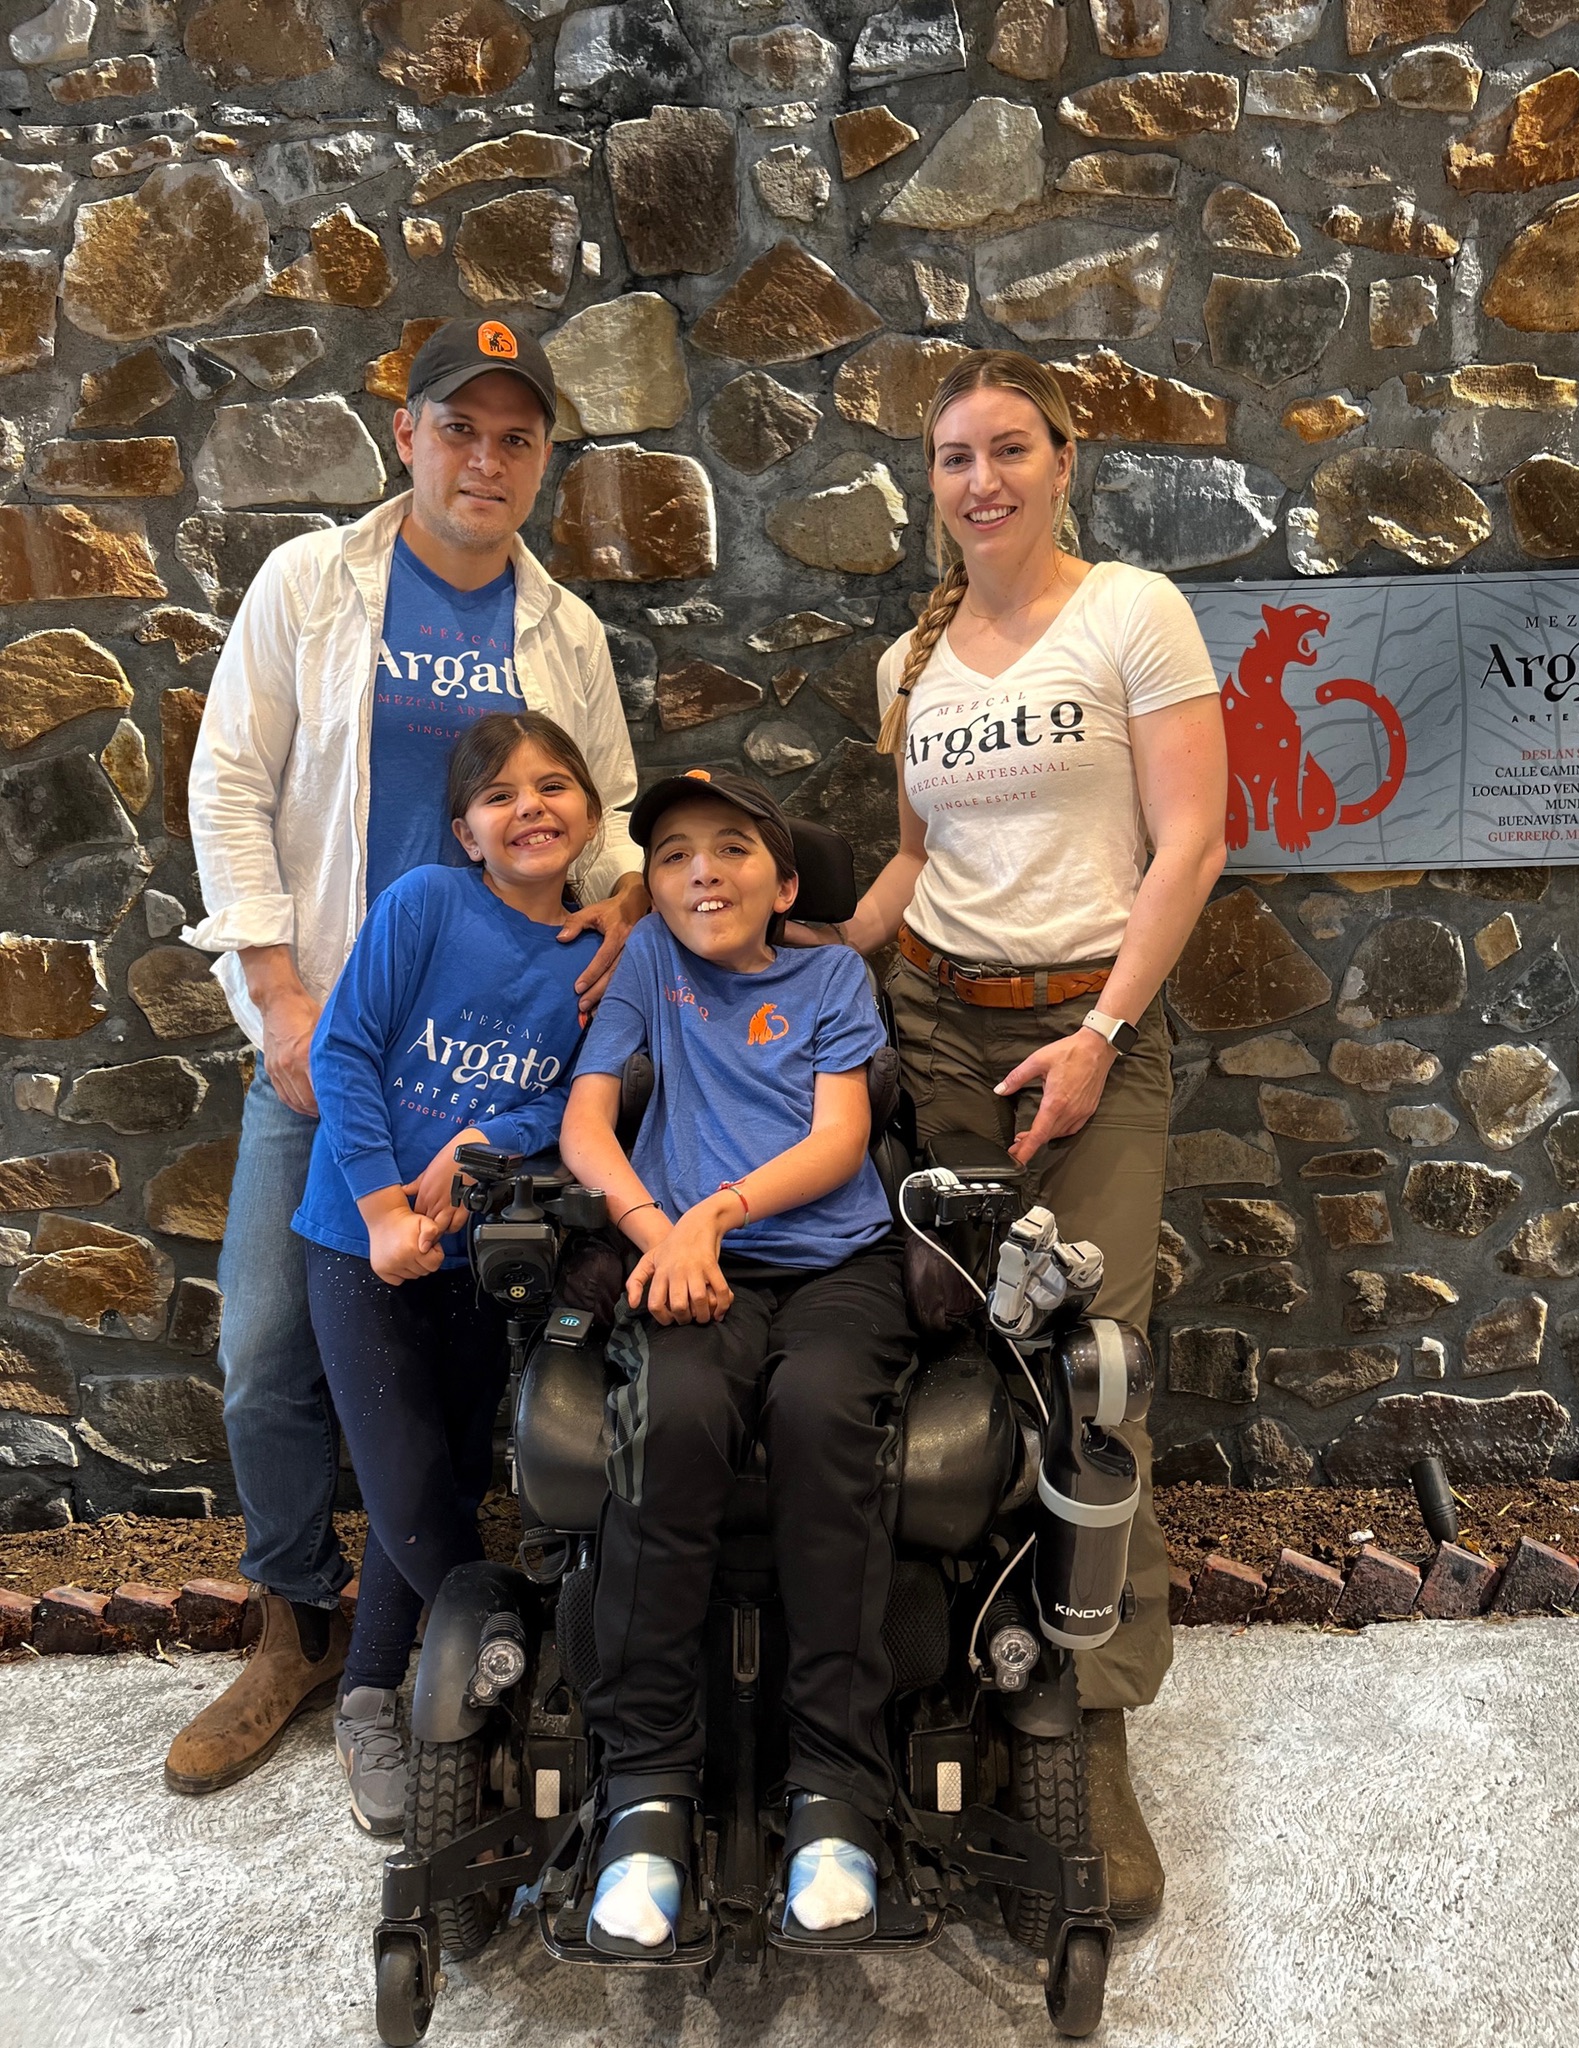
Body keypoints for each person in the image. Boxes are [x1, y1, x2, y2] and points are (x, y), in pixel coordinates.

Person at [170, 319, 648, 1798]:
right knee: (265, 1358)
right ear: (407, 434)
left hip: (482, 1076)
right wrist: (278, 996)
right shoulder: (313, 587)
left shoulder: (561, 630)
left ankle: (419, 1646)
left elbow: (612, 813)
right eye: (461, 430)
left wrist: (622, 913)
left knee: (444, 1379)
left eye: (517, 439)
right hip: (322, 1046)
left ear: (543, 460)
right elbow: (229, 779)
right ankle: (291, 1625)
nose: (486, 460)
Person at [836, 349, 1228, 1923]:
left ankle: (1093, 1710)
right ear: (927, 485)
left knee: (1095, 1370)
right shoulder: (909, 661)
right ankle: (978, 1673)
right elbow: (907, 869)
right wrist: (753, 961)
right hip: (937, 1031)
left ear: (1063, 461)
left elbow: (1193, 837)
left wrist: (1102, 1035)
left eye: (1007, 449)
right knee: (963, 1362)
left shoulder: (1133, 613)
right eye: (950, 457)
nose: (979, 480)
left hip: (1089, 1039)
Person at [558, 767, 915, 1955]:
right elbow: (586, 1125)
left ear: (785, 881)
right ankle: (645, 1789)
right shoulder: (650, 967)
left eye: (730, 849)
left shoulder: (831, 975)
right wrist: (662, 1234)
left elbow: (840, 1138)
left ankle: (835, 1791)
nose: (700, 868)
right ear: (648, 886)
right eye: (669, 855)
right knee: (668, 1424)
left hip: (828, 1261)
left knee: (820, 1413)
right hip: (684, 1260)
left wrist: (712, 1211)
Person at [296, 714, 603, 1832]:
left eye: (554, 784)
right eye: (501, 794)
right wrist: (381, 1206)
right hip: (355, 1238)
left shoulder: (592, 952)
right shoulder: (424, 902)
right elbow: (344, 1049)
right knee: (401, 1473)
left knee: (449, 1464)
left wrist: (476, 1145)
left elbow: (568, 1098)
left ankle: (382, 1674)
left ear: (588, 811)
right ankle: (466, 1667)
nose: (529, 806)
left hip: (481, 1251)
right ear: (467, 829)